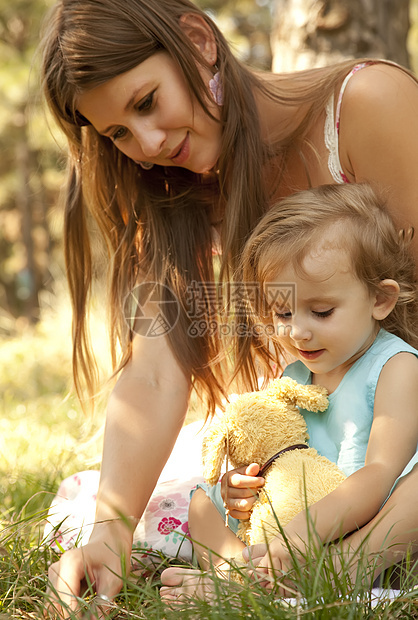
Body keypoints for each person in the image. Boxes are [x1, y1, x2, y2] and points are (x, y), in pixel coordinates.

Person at [39, 0, 418, 612]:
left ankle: (338, 570)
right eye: (118, 133)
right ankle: (272, 565)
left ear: (197, 40)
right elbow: (155, 370)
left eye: (145, 103)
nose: (148, 145)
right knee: (115, 505)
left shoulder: (366, 105)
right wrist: (110, 530)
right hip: (322, 444)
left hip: (400, 422)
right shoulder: (171, 190)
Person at [161, 183, 418, 601]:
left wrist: (302, 533)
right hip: (289, 529)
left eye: (321, 312)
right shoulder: (296, 375)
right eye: (283, 312)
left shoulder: (396, 366)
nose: (297, 330)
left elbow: (379, 475)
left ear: (380, 299)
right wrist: (239, 489)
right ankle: (245, 578)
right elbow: (279, 456)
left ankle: (339, 570)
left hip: (369, 534)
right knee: (201, 502)